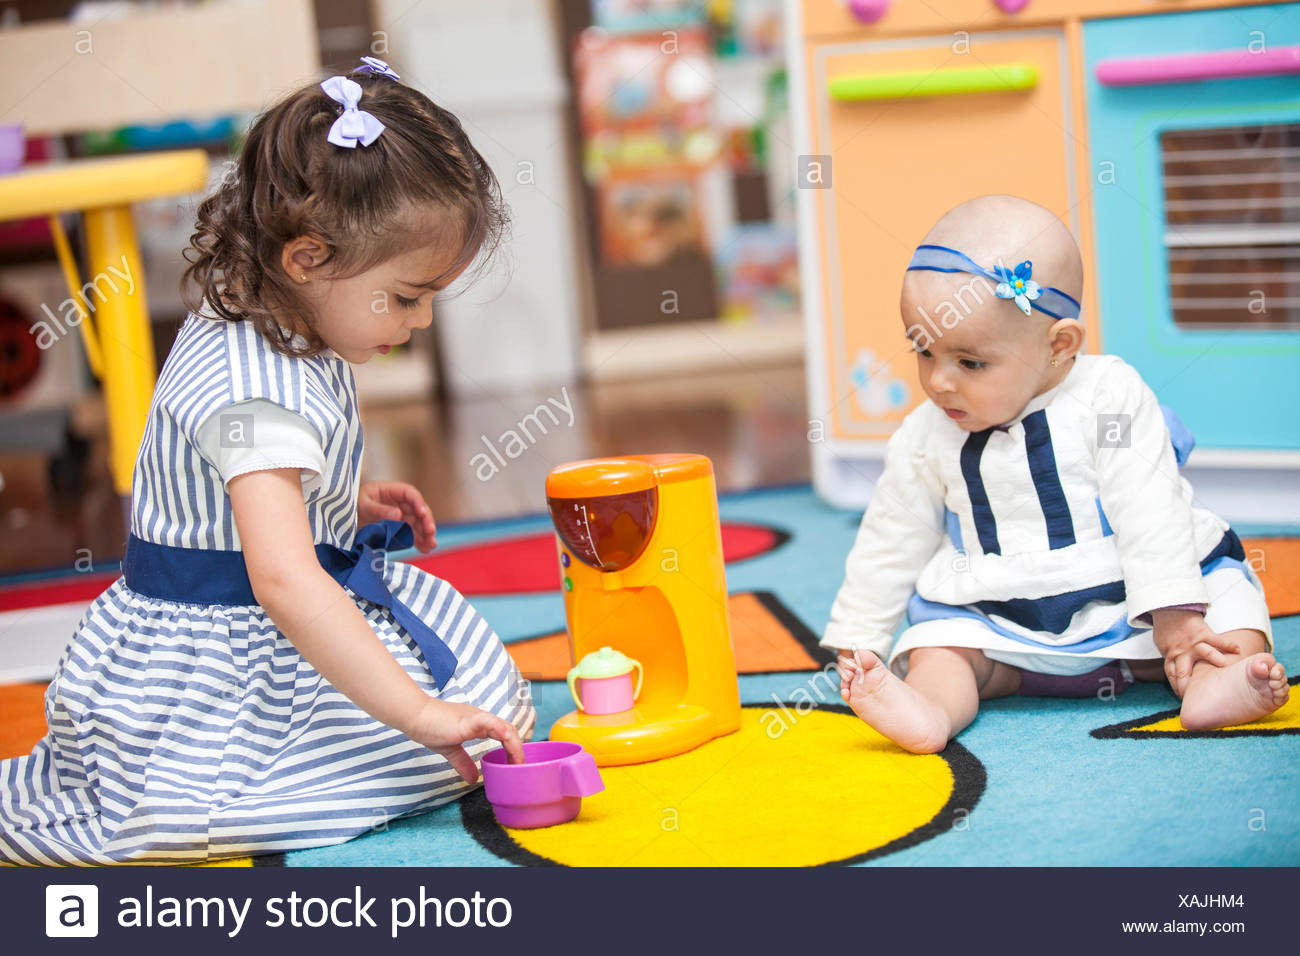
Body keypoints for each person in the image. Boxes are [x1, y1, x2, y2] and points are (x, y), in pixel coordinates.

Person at [0, 58, 533, 865]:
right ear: (307, 259)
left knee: (485, 704)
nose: (419, 322)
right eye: (407, 296)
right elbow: (283, 580)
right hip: (218, 663)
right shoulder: (254, 391)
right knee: (425, 743)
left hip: (260, 618)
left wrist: (342, 500)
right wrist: (419, 716)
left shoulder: (268, 314)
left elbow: (246, 489)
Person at [826, 195, 1288, 755]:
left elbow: (1150, 507)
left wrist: (1173, 616)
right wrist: (857, 640)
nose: (940, 382)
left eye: (970, 362)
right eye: (924, 351)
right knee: (939, 649)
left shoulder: (1108, 394)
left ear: (1059, 346)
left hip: (1132, 610)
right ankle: (930, 710)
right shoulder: (925, 434)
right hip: (1000, 621)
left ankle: (1212, 677)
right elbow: (891, 536)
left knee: (1226, 598)